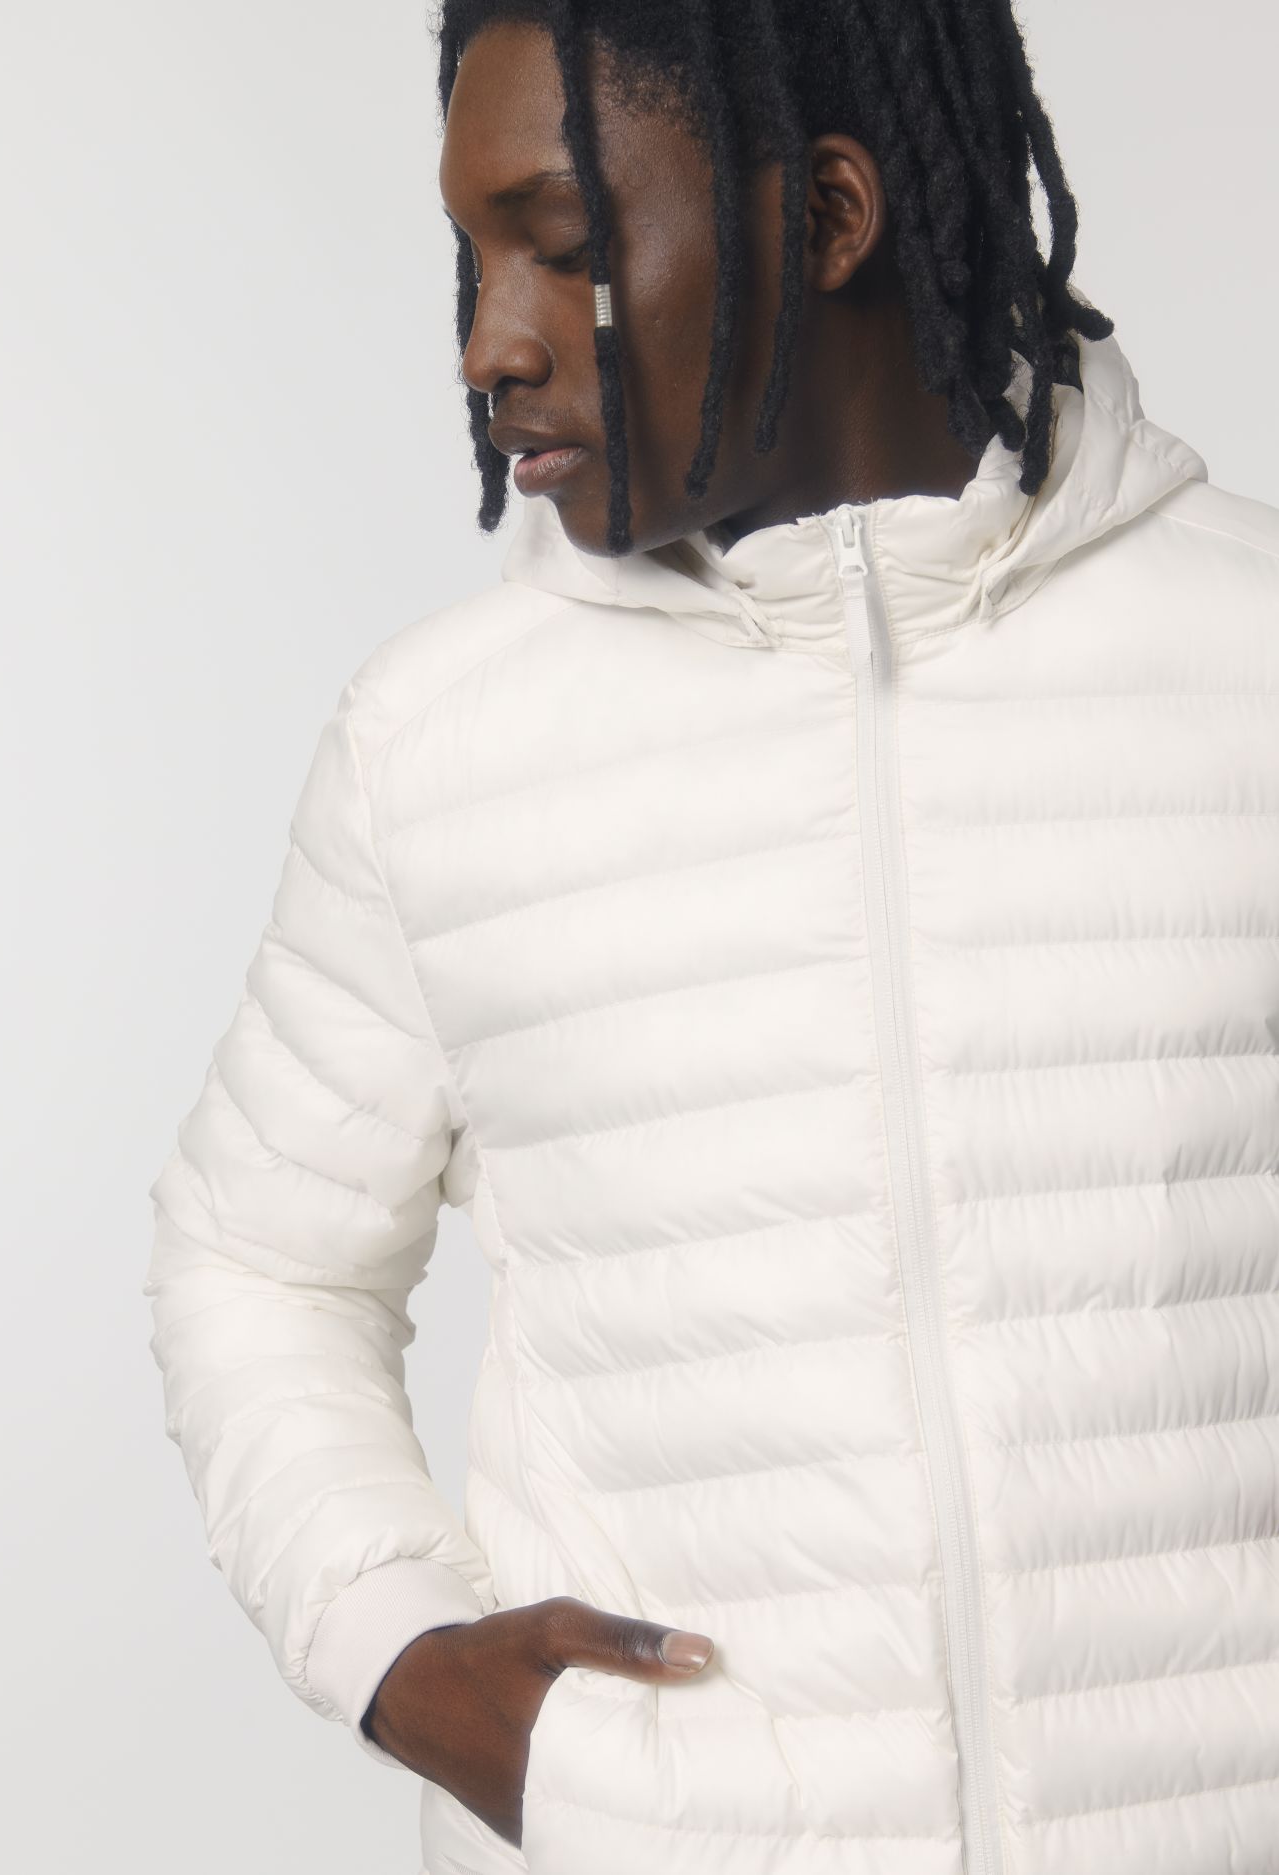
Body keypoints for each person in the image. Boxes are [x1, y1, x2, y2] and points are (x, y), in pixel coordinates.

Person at [143, 2, 1279, 1871]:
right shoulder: (441, 749)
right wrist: (395, 1648)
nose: (490, 343)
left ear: (826, 216)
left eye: (563, 246)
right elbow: (254, 1262)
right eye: (474, 258)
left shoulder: (1246, 660)